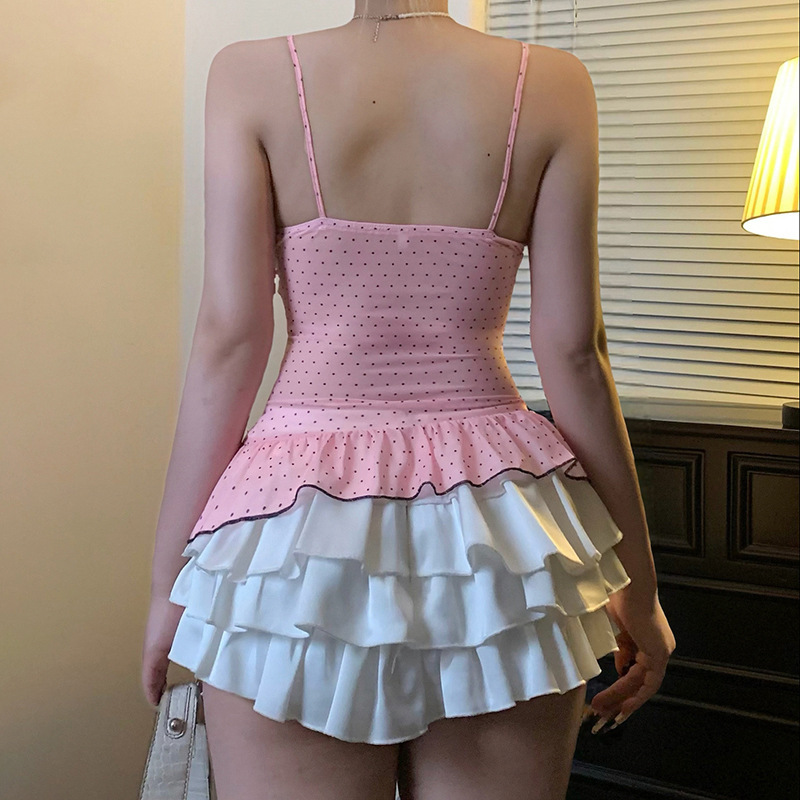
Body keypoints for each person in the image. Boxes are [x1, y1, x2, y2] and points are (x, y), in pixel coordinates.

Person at [141, 2, 676, 798]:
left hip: (295, 533)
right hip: (498, 532)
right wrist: (640, 587)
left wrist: (166, 589)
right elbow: (574, 353)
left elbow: (230, 339)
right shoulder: (553, 83)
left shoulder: (250, 75)